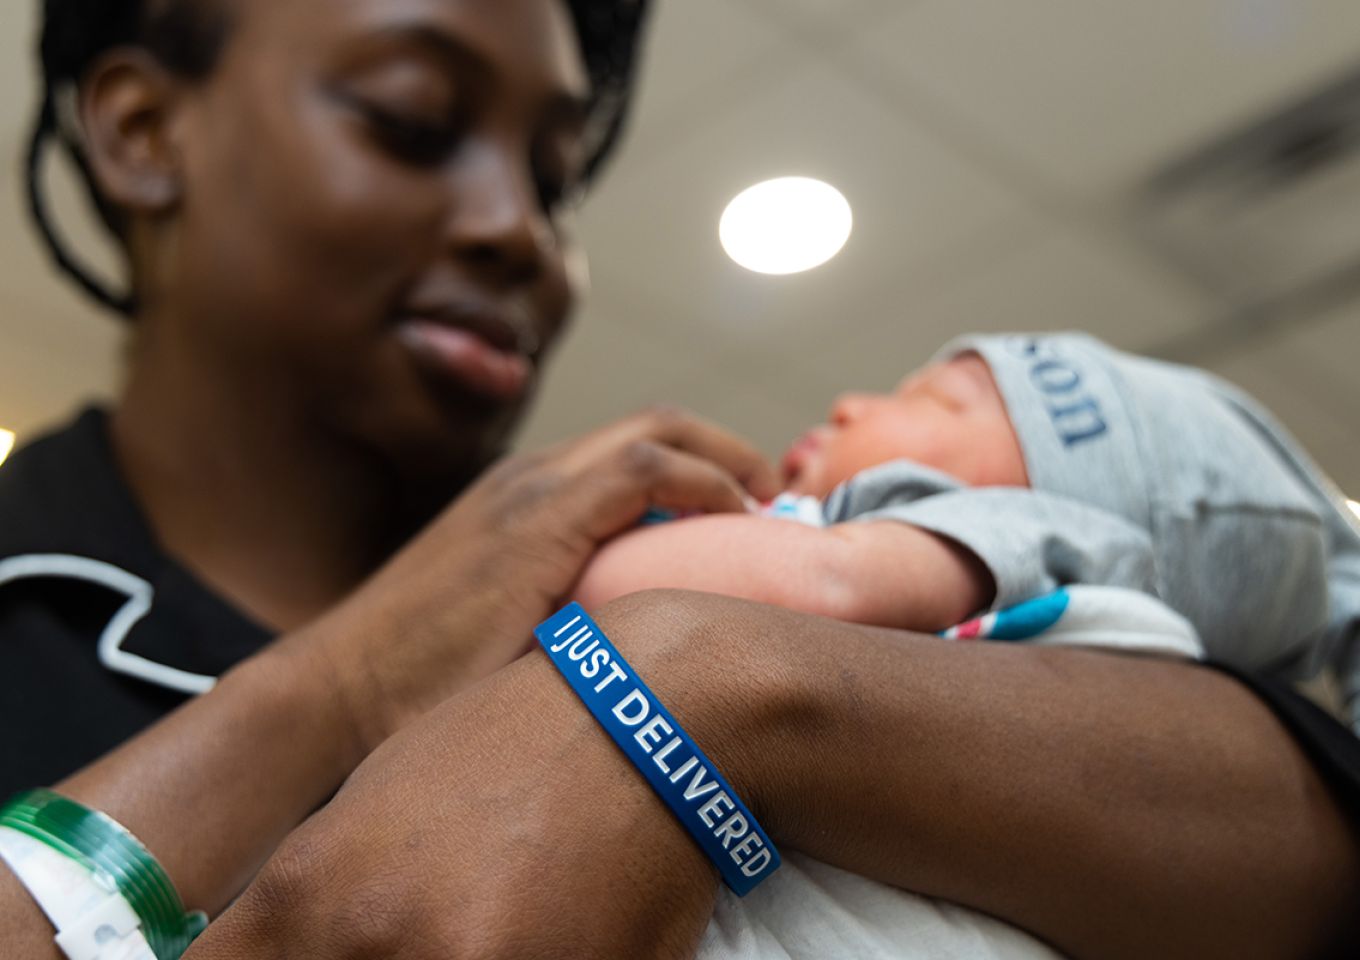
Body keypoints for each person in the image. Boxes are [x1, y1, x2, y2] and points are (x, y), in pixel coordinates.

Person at [0, 1, 1356, 959]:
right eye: (413, 121)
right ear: (139, 131)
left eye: (560, 177)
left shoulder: (675, 556)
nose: (518, 230)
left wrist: (705, 684)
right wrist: (343, 684)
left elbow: (1306, 843)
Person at [576, 332, 1360, 690]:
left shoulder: (1032, 535)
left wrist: (588, 551)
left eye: (938, 401)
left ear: (1038, 495)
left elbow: (828, 583)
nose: (851, 403)